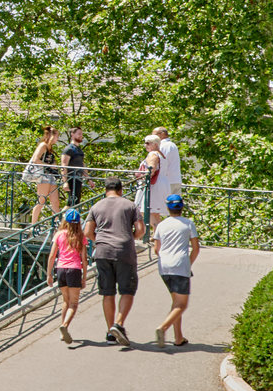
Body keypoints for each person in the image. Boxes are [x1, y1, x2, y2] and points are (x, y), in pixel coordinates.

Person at [84, 177, 144, 346]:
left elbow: (88, 231)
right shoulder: (130, 205)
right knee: (127, 290)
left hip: (102, 251)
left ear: (106, 190)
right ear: (121, 190)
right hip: (124, 251)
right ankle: (119, 323)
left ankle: (110, 332)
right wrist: (129, 238)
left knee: (107, 292)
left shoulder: (96, 206)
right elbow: (140, 230)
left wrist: (99, 240)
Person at [153, 193, 201, 347]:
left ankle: (178, 337)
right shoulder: (188, 224)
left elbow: (156, 249)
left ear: (167, 208)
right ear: (182, 207)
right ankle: (163, 328)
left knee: (175, 302)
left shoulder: (161, 225)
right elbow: (195, 248)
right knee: (182, 304)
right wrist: (188, 263)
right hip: (180, 265)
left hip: (164, 266)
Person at [47, 208, 89, 344]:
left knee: (65, 301)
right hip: (74, 270)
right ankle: (64, 326)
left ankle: (62, 330)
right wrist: (84, 278)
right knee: (74, 303)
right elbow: (84, 259)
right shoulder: (81, 237)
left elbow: (52, 255)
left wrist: (49, 274)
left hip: (61, 269)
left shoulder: (59, 234)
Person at [26, 126, 62, 222]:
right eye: (56, 136)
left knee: (55, 202)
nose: (57, 138)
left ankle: (56, 227)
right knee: (41, 201)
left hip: (50, 176)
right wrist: (49, 166)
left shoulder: (50, 148)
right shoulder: (43, 145)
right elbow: (35, 159)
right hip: (43, 176)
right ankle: (33, 225)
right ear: (51, 136)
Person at [135, 133, 165, 239]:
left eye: (148, 143)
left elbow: (151, 169)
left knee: (145, 210)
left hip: (152, 185)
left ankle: (157, 235)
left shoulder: (153, 154)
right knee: (154, 212)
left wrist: (144, 178)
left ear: (155, 144)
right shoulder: (161, 154)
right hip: (159, 184)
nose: (145, 145)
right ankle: (157, 234)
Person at [62, 127, 87, 206]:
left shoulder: (79, 149)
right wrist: (65, 182)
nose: (81, 136)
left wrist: (88, 178)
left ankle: (67, 217)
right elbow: (64, 165)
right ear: (72, 135)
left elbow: (82, 165)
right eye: (79, 134)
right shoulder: (69, 149)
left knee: (76, 202)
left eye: (82, 134)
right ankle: (62, 217)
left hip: (78, 178)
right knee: (71, 202)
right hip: (71, 178)